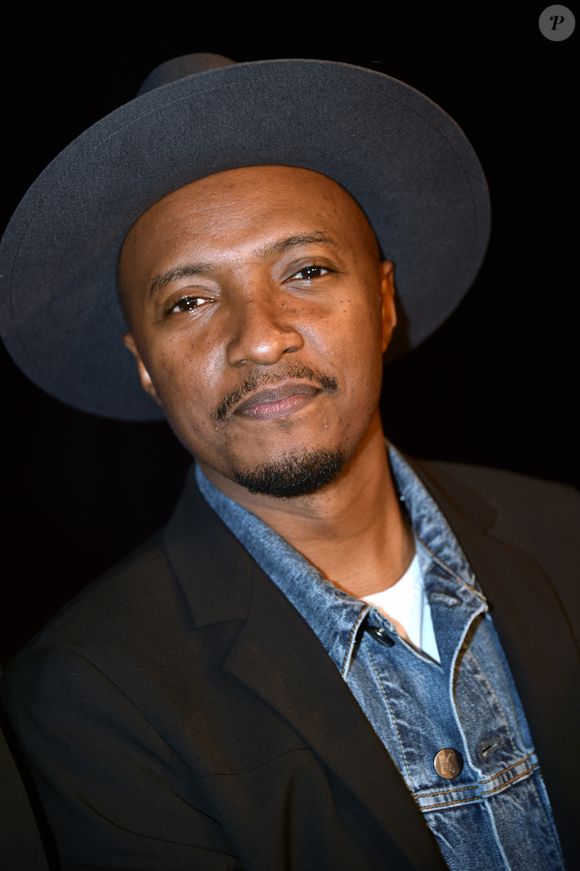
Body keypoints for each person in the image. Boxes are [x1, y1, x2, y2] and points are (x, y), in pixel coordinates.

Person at [0, 53, 577, 871]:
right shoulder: (93, 692)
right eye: (190, 302)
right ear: (145, 364)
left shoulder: (569, 536)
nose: (261, 336)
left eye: (306, 271)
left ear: (382, 304)